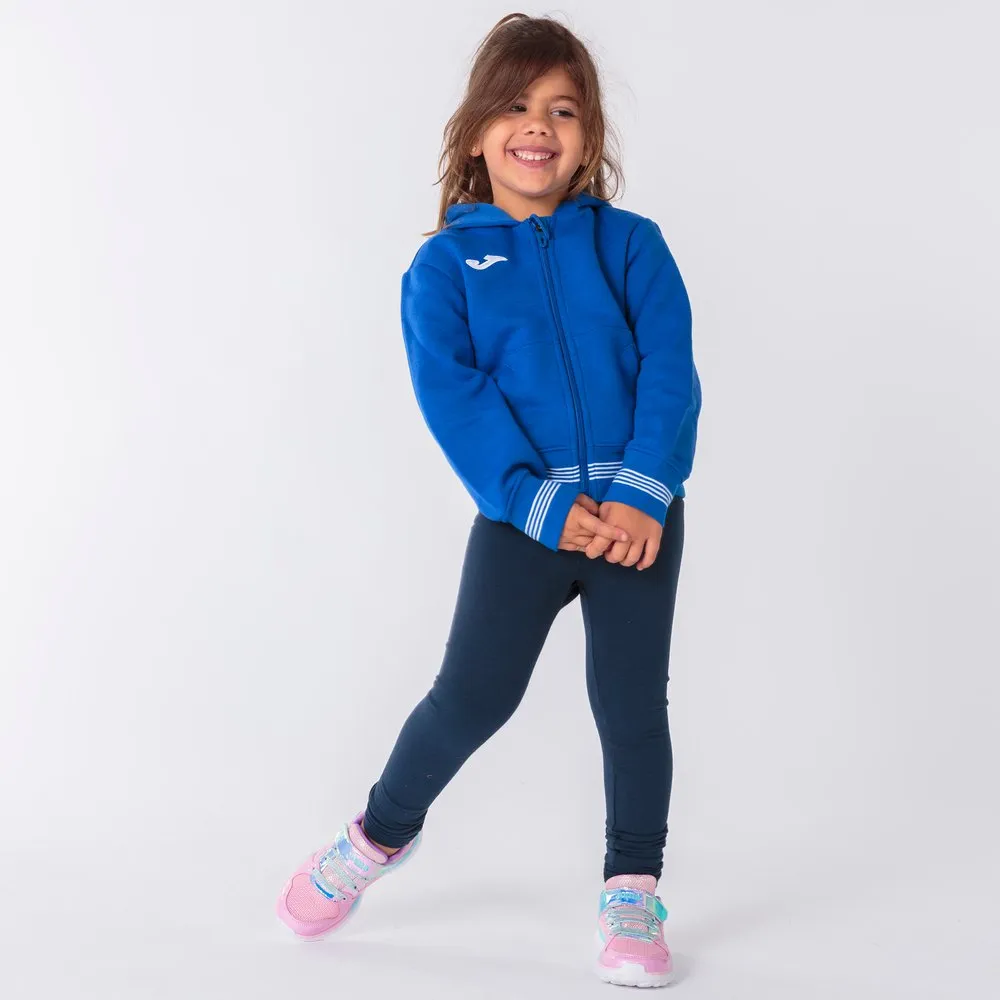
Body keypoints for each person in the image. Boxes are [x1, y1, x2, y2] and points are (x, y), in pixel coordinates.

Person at [276, 12, 702, 989]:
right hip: (524, 523)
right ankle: (377, 837)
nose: (538, 125)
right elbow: (457, 403)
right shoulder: (443, 269)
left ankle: (631, 888)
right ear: (475, 133)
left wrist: (643, 495)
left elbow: (670, 372)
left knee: (632, 705)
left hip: (637, 521)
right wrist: (537, 504)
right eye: (514, 105)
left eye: (563, 108)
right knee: (470, 698)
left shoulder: (632, 246)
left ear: (590, 136)